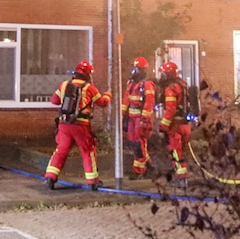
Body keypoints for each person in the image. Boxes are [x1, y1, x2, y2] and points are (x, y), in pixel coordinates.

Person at [44, 60, 111, 190]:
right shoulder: (89, 88)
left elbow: (54, 100)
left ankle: (50, 177)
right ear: (88, 75)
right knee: (88, 151)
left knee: (60, 151)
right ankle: (92, 182)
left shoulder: (64, 85)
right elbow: (102, 103)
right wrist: (108, 95)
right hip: (81, 125)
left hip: (64, 125)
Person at [157, 61, 192, 188]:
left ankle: (182, 178)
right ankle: (180, 174)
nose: (162, 77)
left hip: (175, 126)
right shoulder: (183, 85)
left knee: (175, 151)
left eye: (164, 74)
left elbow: (171, 109)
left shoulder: (170, 88)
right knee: (181, 151)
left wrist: (163, 126)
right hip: (186, 125)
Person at [120, 56, 156, 179]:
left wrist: (144, 120)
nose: (133, 70)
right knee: (134, 143)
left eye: (136, 68)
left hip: (141, 119)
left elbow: (149, 103)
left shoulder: (147, 84)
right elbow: (126, 100)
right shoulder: (131, 84)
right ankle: (149, 166)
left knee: (139, 144)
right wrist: (122, 116)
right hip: (131, 119)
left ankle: (139, 171)